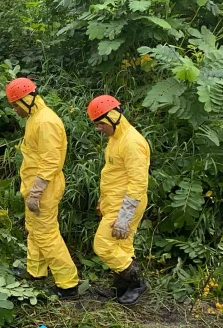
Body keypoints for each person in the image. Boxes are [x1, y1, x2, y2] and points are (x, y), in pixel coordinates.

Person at [6, 78, 79, 299]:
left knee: (47, 234)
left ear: (27, 100)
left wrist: (36, 191)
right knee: (35, 229)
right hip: (34, 185)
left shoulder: (46, 122)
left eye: (15, 104)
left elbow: (50, 161)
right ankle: (36, 271)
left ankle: (68, 283)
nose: (14, 109)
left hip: (44, 187)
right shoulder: (35, 118)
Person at [87, 95, 151, 305]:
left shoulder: (132, 142)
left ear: (113, 116)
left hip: (126, 204)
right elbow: (113, 175)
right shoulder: (116, 139)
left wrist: (124, 216)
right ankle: (122, 287)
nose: (99, 129)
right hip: (114, 201)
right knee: (122, 247)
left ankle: (138, 283)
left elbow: (138, 183)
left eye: (101, 124)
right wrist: (102, 200)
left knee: (103, 245)